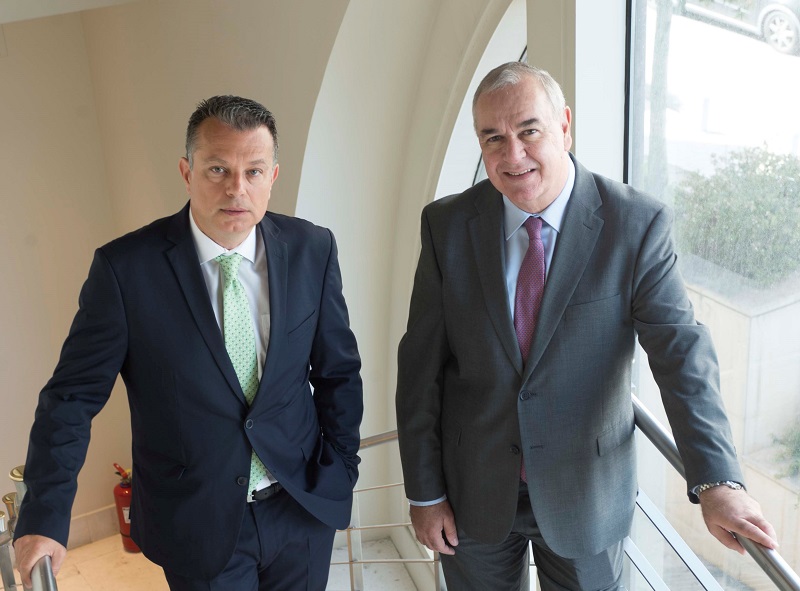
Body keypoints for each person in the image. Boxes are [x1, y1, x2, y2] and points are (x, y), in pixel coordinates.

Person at [395, 62, 778, 591]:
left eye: (529, 131)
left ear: (564, 125)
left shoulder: (636, 224)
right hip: (471, 492)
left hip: (586, 497)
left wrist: (718, 480)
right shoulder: (447, 225)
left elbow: (680, 354)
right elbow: (420, 368)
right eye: (493, 138)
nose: (513, 155)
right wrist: (424, 492)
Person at [14, 95, 363, 590]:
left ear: (273, 177)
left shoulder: (313, 248)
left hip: (301, 509)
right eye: (218, 169)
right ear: (187, 172)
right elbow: (71, 398)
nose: (237, 189)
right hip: (197, 525)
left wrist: (341, 468)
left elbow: (338, 372)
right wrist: (43, 518)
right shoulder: (125, 271)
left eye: (254, 171)